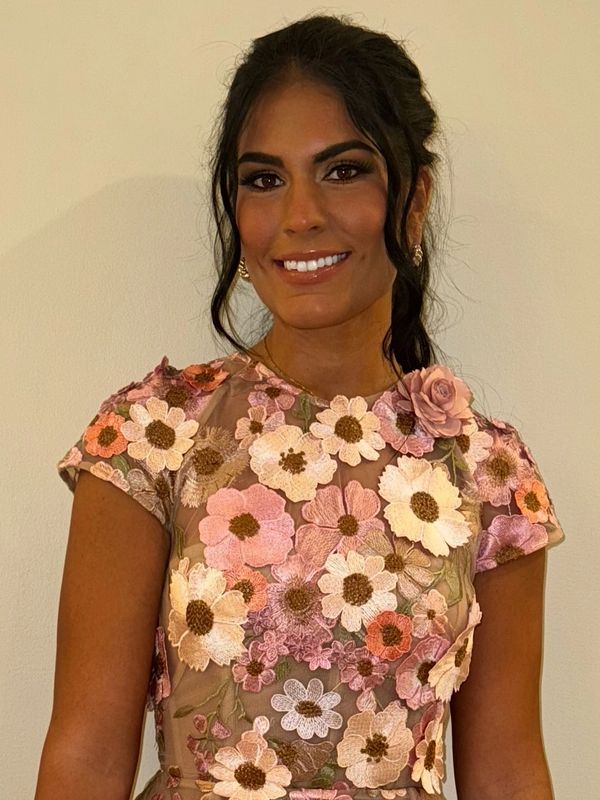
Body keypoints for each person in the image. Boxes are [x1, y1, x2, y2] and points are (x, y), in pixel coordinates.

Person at [35, 14, 565, 800]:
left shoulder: (489, 475)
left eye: (343, 171)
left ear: (414, 198)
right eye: (264, 179)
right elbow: (84, 758)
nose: (300, 215)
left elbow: (511, 771)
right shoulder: (152, 437)